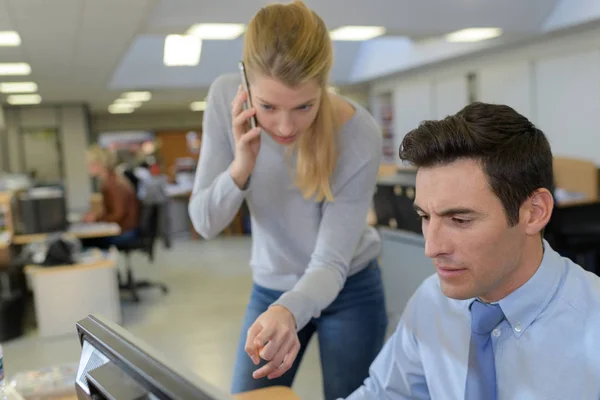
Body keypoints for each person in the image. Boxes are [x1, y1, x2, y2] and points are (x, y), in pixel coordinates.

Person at [188, 1, 387, 398]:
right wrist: (240, 168)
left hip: (350, 287)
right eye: (268, 107)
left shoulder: (359, 133)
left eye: (304, 107)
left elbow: (330, 262)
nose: (284, 126)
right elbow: (205, 223)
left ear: (323, 84)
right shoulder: (223, 97)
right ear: (245, 81)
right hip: (272, 284)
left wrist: (289, 310)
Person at [344, 102, 600, 400]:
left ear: (534, 212)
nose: (432, 247)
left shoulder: (592, 325)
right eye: (425, 217)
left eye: (460, 220)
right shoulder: (431, 301)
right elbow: (383, 394)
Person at [81, 144, 140, 248]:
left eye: (90, 164)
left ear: (100, 164)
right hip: (127, 228)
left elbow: (118, 214)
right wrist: (96, 216)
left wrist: (96, 219)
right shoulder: (112, 179)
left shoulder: (113, 184)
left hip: (126, 231)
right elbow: (111, 211)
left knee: (85, 241)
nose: (88, 167)